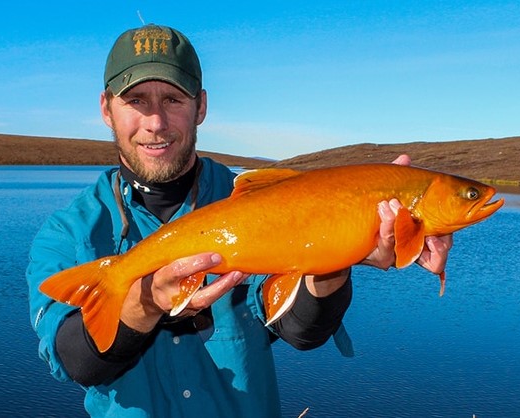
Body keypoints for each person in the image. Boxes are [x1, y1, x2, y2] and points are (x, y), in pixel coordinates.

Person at [26, 24, 453, 417]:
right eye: (136, 101)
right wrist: (148, 301)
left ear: (201, 107)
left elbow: (300, 331)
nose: (155, 123)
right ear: (107, 109)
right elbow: (74, 360)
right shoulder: (69, 232)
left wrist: (341, 246)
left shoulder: (261, 199)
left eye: (173, 99)